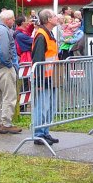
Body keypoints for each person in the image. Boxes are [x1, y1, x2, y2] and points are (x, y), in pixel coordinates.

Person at [0, 9, 21, 134]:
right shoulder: (3, 30)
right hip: (3, 67)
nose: (13, 21)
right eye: (12, 19)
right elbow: (4, 51)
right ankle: (6, 123)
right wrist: (10, 64)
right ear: (7, 20)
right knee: (9, 96)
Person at [31, 8, 59, 145]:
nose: (57, 17)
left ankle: (45, 132)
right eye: (54, 16)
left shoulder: (48, 34)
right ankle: (38, 134)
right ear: (48, 20)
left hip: (51, 77)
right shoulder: (41, 35)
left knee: (50, 107)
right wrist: (40, 80)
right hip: (45, 78)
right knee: (42, 107)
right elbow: (38, 59)